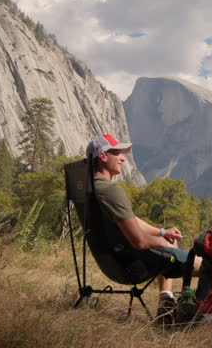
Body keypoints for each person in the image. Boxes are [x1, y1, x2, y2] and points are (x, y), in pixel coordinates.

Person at [86, 134, 201, 322]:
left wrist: (162, 232)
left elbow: (129, 219)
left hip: (110, 261)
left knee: (165, 244)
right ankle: (206, 316)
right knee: (211, 266)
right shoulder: (111, 191)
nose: (123, 158)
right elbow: (138, 241)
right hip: (132, 264)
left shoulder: (91, 188)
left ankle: (166, 300)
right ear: (103, 157)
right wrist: (163, 241)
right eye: (117, 153)